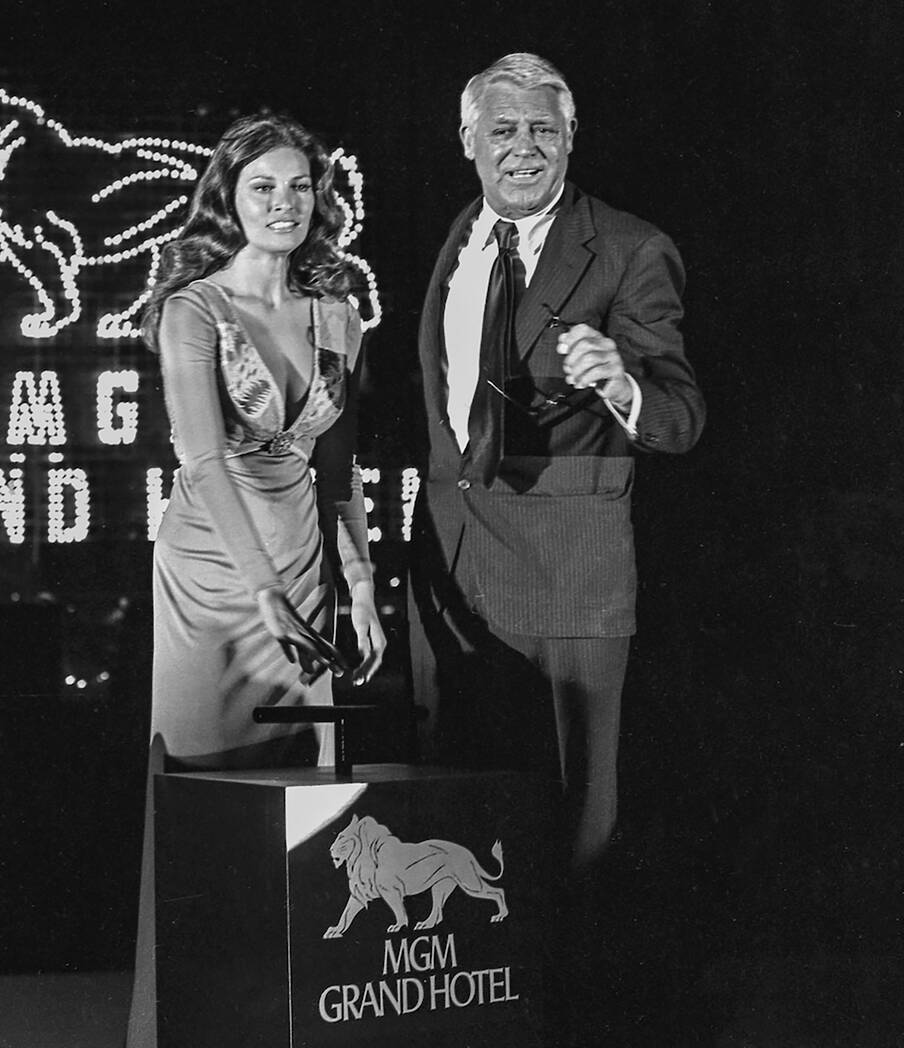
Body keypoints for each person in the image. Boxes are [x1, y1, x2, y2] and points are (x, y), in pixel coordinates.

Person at [126, 112, 387, 1048]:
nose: (282, 203)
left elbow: (339, 473)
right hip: (212, 579)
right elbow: (200, 462)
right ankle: (194, 1024)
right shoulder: (191, 309)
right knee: (207, 798)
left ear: (319, 201)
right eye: (261, 187)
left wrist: (358, 582)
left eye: (298, 187)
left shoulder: (342, 315)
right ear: (228, 201)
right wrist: (263, 590)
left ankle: (293, 1021)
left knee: (308, 805)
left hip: (308, 569)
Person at [409, 52, 705, 875]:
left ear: (572, 138)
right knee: (452, 816)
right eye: (503, 130)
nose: (523, 147)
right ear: (468, 140)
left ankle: (571, 1000)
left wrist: (621, 381)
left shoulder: (629, 248)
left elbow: (680, 418)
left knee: (573, 829)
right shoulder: (457, 237)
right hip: (451, 562)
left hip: (570, 569)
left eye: (544, 128)